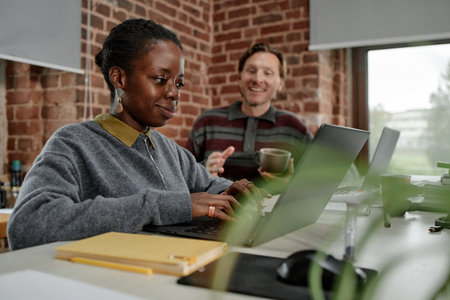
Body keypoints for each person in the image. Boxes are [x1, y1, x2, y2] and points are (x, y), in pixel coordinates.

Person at [7, 19, 262, 250]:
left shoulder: (168, 150)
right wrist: (165, 206)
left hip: (181, 266)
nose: (175, 93)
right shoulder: (73, 143)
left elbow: (207, 185)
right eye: (161, 79)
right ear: (119, 79)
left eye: (179, 83)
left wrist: (232, 190)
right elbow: (28, 225)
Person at [185, 43, 312, 185]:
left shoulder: (294, 128)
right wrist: (204, 171)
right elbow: (180, 174)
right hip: (217, 205)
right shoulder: (207, 121)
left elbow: (316, 182)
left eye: (268, 73)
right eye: (251, 71)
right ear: (239, 77)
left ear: (280, 83)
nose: (257, 79)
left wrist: (291, 183)